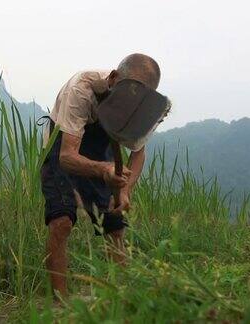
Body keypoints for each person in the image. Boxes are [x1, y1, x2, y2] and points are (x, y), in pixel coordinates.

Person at [41, 53, 168, 297]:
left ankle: (121, 296)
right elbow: (67, 156)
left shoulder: (144, 107)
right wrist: (104, 169)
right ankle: (60, 304)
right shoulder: (81, 89)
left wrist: (124, 189)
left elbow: (138, 152)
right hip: (63, 144)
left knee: (114, 223)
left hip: (101, 148)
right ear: (113, 78)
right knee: (61, 222)